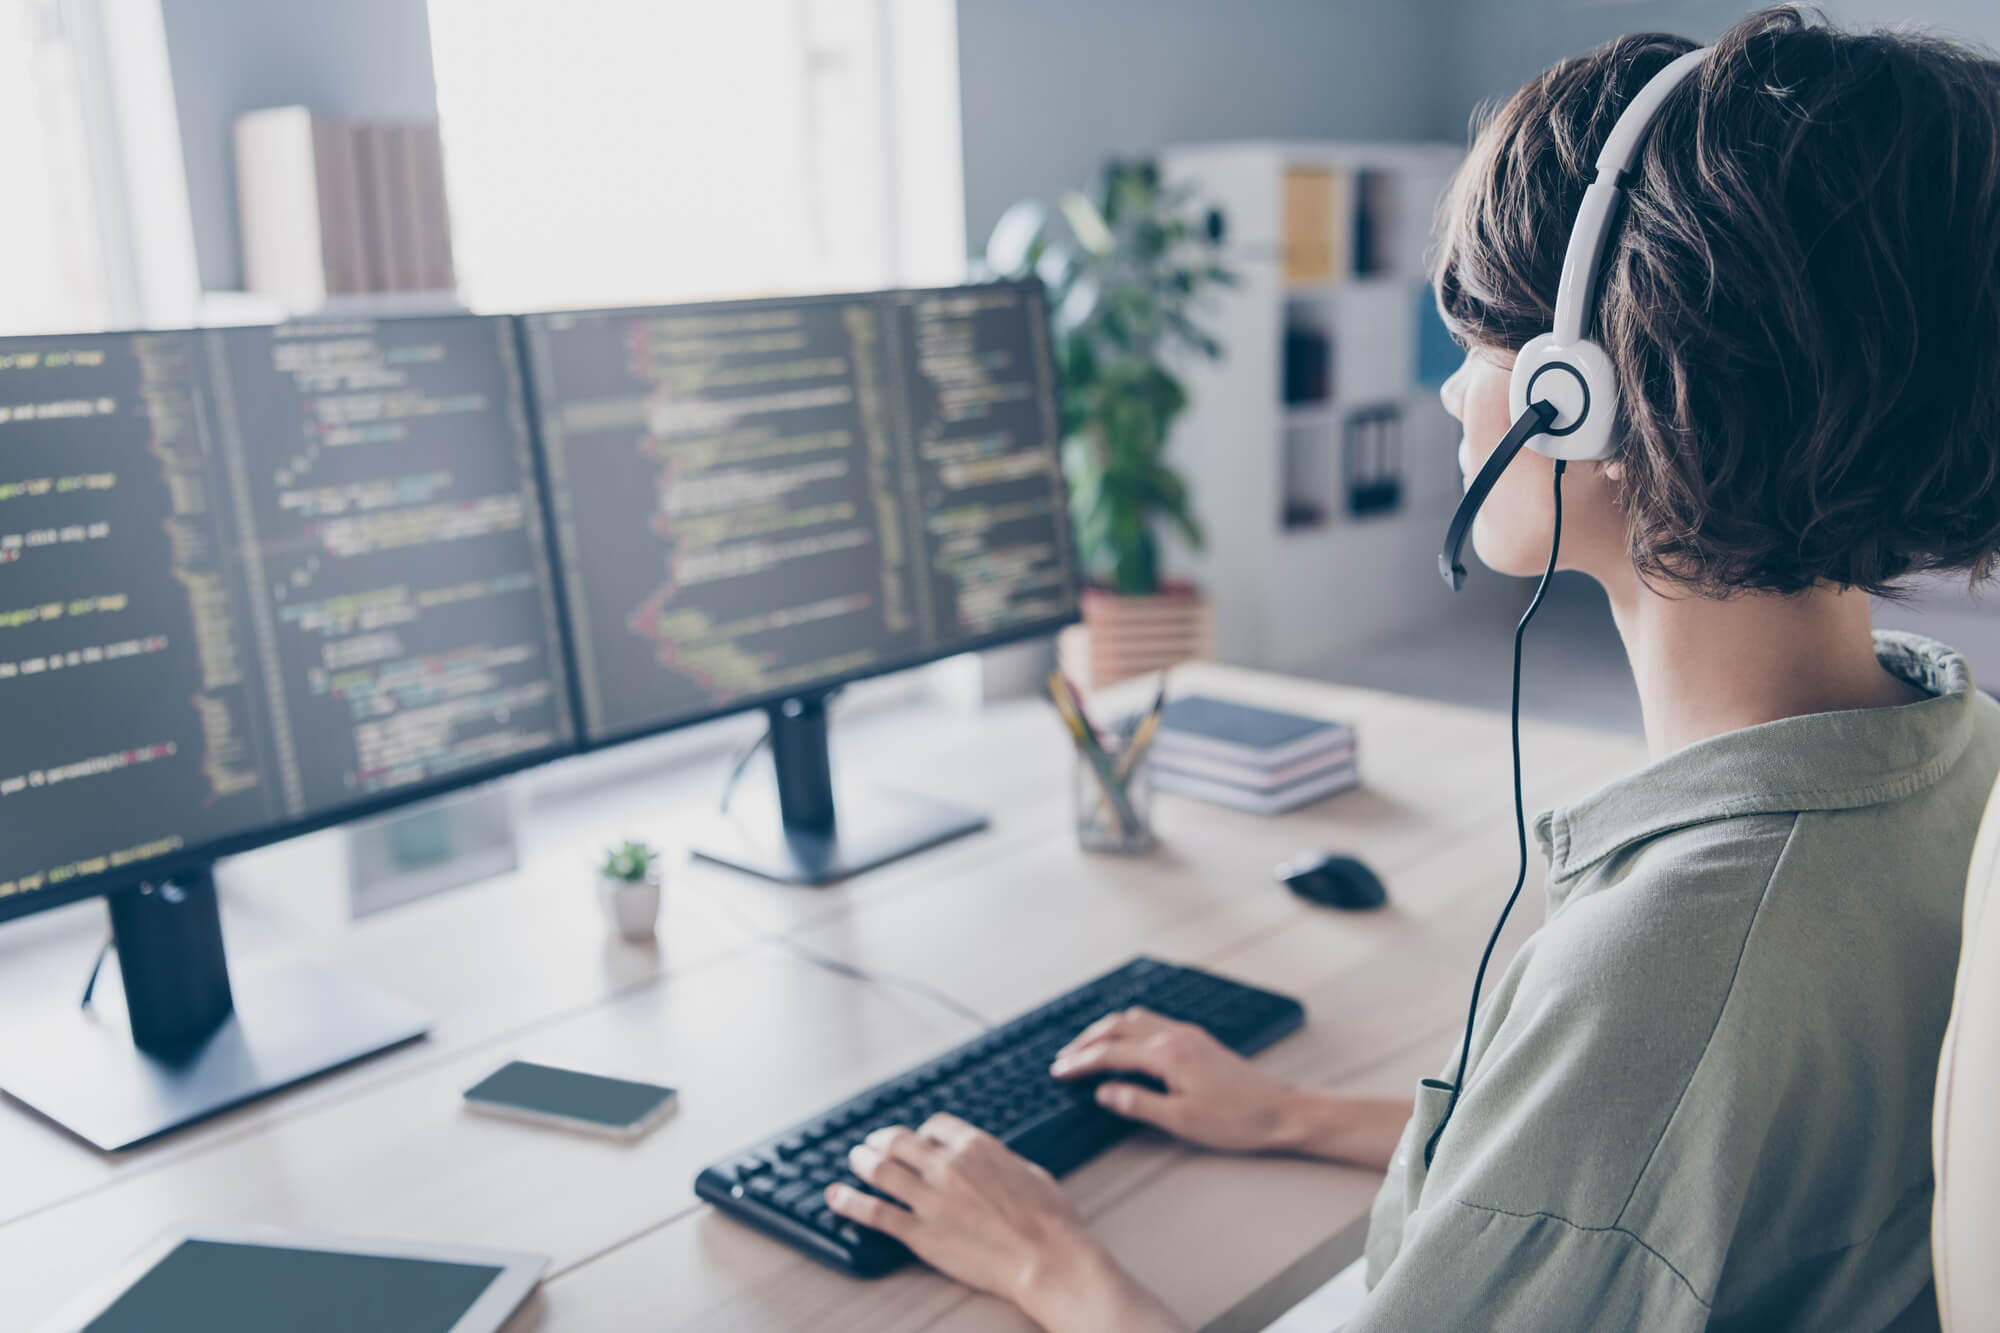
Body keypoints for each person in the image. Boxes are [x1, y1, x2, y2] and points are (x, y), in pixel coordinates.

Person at [822, 7, 2000, 1329]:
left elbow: (1637, 1106)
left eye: (1489, 341)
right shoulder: (1961, 754)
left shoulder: (1667, 971)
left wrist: (1049, 1255)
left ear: (1591, 397)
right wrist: (1294, 1112)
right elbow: (1637, 1168)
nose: (1454, 391)